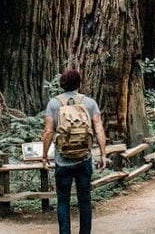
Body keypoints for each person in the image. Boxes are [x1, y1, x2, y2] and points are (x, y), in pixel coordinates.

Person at [42, 68, 108, 234]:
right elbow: (99, 129)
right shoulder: (90, 103)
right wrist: (103, 154)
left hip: (62, 161)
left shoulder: (53, 104)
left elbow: (48, 132)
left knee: (63, 202)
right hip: (84, 160)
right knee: (84, 201)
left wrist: (44, 156)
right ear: (79, 83)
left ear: (62, 84)